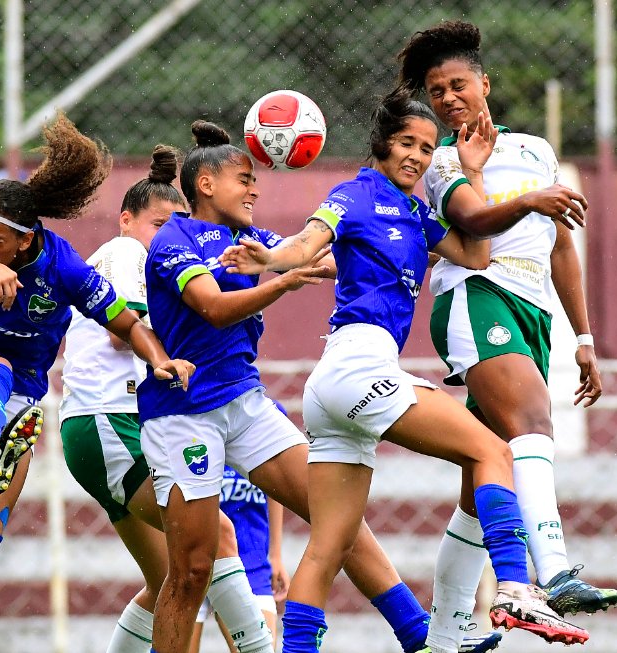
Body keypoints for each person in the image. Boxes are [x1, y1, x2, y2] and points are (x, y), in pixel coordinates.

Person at [218, 86, 590, 652]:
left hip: (335, 389)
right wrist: (269, 260)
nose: (416, 156)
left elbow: (477, 255)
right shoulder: (354, 194)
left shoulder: (418, 212)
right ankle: (515, 586)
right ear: (381, 146)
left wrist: (470, 170)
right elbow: (304, 242)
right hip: (356, 365)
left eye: (425, 146)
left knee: (329, 544)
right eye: (404, 144)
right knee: (493, 451)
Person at [139, 119, 456, 653]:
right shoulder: (175, 238)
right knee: (192, 569)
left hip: (243, 403)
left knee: (335, 515)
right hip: (183, 415)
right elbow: (214, 308)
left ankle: (416, 633)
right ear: (207, 185)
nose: (255, 189)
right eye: (244, 179)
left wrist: (386, 245)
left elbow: (319, 256)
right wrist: (283, 282)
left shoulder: (251, 240)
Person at [0, 114, 194, 653]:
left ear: (27, 242)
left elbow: (126, 323)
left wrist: (161, 359)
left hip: (18, 398)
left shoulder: (66, 269)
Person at [397, 19, 617, 651]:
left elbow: (561, 249)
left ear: (484, 83)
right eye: (436, 91)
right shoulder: (436, 160)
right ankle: (550, 573)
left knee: (481, 483)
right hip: (477, 297)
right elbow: (471, 221)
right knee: (533, 423)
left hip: (534, 313)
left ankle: (446, 632)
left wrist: (584, 339)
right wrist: (531, 202)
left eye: (457, 84)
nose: (447, 98)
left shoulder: (533, 152)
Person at [59, 145, 277, 653]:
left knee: (170, 582)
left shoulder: (149, 254)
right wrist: (202, 316)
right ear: (125, 220)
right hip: (110, 420)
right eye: (158, 224)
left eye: (176, 225)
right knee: (218, 534)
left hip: (104, 427)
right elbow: (124, 332)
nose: (167, 237)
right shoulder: (126, 253)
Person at [188, 465, 288, 653]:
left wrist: (276, 555)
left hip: (251, 559)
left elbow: (276, 485)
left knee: (261, 649)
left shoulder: (261, 439)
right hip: (191, 560)